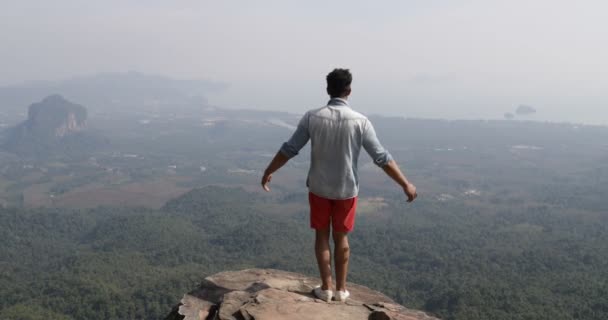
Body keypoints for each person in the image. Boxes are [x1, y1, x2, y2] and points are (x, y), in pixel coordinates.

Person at [261, 68, 417, 302]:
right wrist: (405, 184)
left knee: (322, 236)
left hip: (318, 188)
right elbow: (381, 157)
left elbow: (290, 148)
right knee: (341, 238)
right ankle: (342, 290)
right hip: (346, 190)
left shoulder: (312, 117)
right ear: (349, 91)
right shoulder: (360, 121)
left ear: (328, 89)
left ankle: (325, 288)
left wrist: (269, 170)